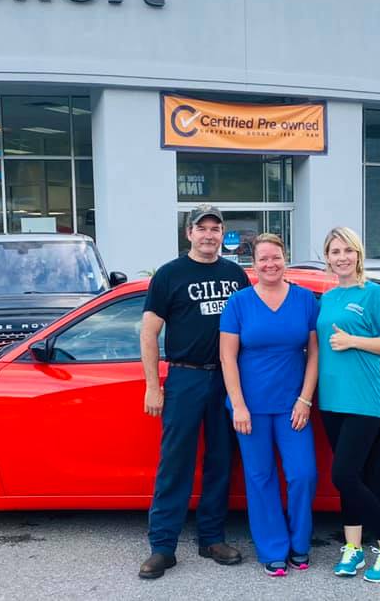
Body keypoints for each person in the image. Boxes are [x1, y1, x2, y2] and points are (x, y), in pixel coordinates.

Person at [138, 205, 250, 580]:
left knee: (221, 460)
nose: (208, 235)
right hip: (184, 378)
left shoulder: (235, 275)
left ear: (222, 234)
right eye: (201, 228)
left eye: (215, 229)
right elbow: (149, 333)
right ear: (189, 233)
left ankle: (211, 539)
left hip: (226, 379)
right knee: (176, 462)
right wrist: (153, 385)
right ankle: (162, 547)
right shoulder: (169, 275)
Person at [219, 233, 319, 577]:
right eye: (263, 258)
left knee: (303, 474)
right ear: (253, 264)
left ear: (285, 259)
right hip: (251, 408)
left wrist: (305, 399)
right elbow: (227, 358)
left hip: (294, 406)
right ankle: (273, 549)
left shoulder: (305, 300)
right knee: (260, 478)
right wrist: (238, 405)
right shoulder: (239, 303)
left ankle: (300, 543)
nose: (270, 264)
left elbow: (314, 354)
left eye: (276, 257)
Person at [315, 226, 380, 583]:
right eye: (335, 251)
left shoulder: (373, 293)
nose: (341, 257)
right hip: (331, 398)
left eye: (347, 251)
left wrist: (355, 340)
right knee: (350, 478)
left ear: (358, 254)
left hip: (362, 397)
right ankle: (353, 547)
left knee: (343, 474)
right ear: (327, 258)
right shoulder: (327, 298)